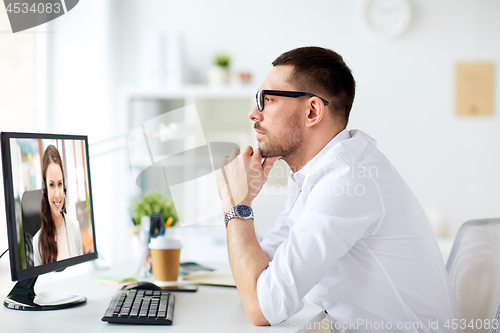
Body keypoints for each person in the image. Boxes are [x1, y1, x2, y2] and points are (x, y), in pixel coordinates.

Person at [216, 46, 461, 332]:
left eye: (266, 100)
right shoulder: (314, 176)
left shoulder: (347, 181)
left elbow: (262, 307)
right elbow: (256, 278)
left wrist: (236, 203)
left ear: (312, 111)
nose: (253, 114)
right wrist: (241, 202)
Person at [33, 145, 83, 266]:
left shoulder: (74, 226)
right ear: (45, 189)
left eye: (60, 184)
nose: (57, 194)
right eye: (51, 185)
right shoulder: (37, 242)